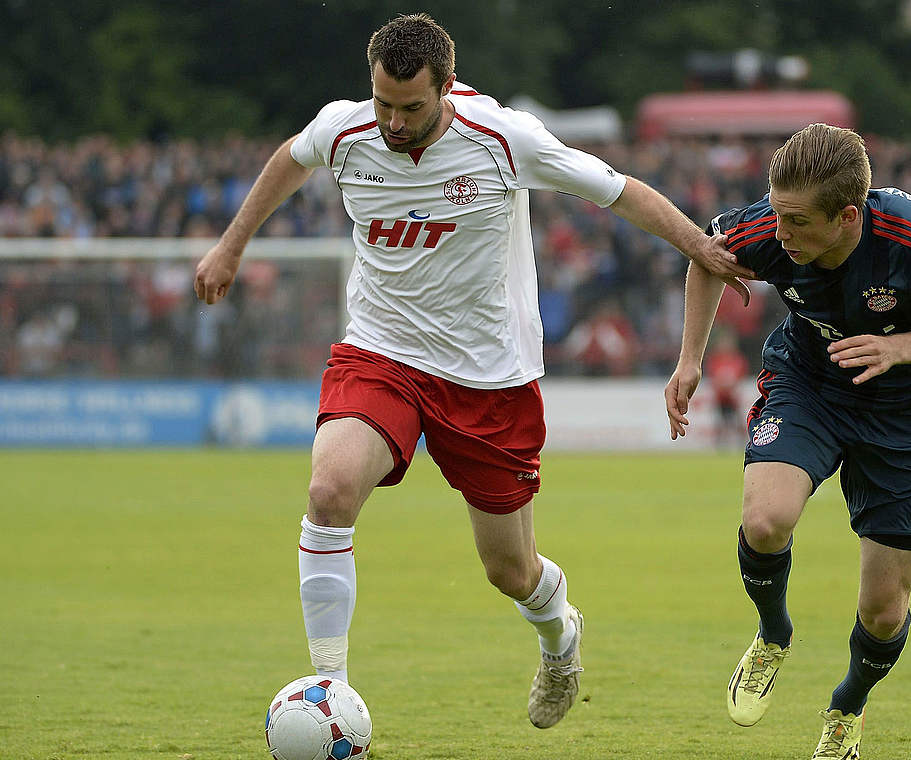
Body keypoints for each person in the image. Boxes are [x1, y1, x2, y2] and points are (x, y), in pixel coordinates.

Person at [192, 13, 750, 730]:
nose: (393, 120)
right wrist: (231, 245)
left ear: (446, 89)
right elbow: (290, 159)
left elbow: (619, 190)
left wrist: (699, 246)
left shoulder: (503, 138)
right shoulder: (345, 128)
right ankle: (329, 694)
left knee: (509, 572)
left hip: (488, 377)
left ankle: (559, 637)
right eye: (383, 103)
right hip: (382, 351)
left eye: (412, 107)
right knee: (329, 492)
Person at [664, 124, 911, 758]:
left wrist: (898, 348)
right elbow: (707, 261)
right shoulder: (771, 226)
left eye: (795, 223)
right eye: (776, 214)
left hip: (903, 413)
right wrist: (690, 361)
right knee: (766, 521)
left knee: (884, 612)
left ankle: (847, 706)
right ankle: (773, 633)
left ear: (847, 216)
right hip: (809, 384)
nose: (779, 235)